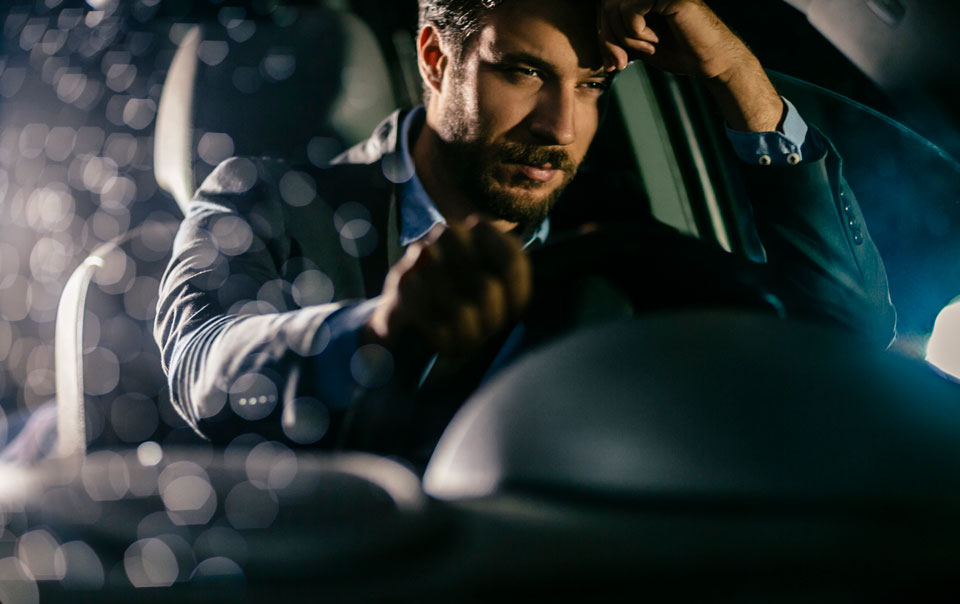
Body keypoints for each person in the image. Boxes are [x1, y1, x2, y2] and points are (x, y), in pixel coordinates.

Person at [155, 0, 895, 460]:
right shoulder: (267, 201)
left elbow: (847, 343)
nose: (562, 127)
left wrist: (736, 72)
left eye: (592, 84)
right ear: (437, 59)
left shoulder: (625, 252)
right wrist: (382, 329)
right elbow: (205, 367)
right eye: (524, 72)